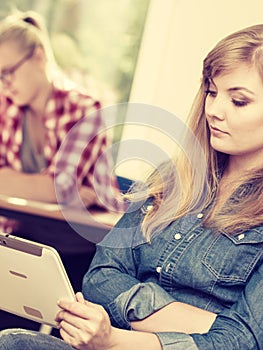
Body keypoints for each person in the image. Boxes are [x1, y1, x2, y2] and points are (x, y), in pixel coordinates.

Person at [1, 23, 263, 349]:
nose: (213, 110)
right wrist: (207, 321)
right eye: (211, 92)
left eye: (238, 101)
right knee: (12, 341)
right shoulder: (171, 178)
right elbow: (99, 277)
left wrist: (115, 338)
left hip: (121, 341)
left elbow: (243, 341)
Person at [0, 9, 124, 228]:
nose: (4, 84)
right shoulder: (5, 104)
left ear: (38, 57)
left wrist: (52, 190)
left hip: (74, 238)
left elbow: (58, 188)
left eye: (7, 72)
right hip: (18, 230)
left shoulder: (86, 110)